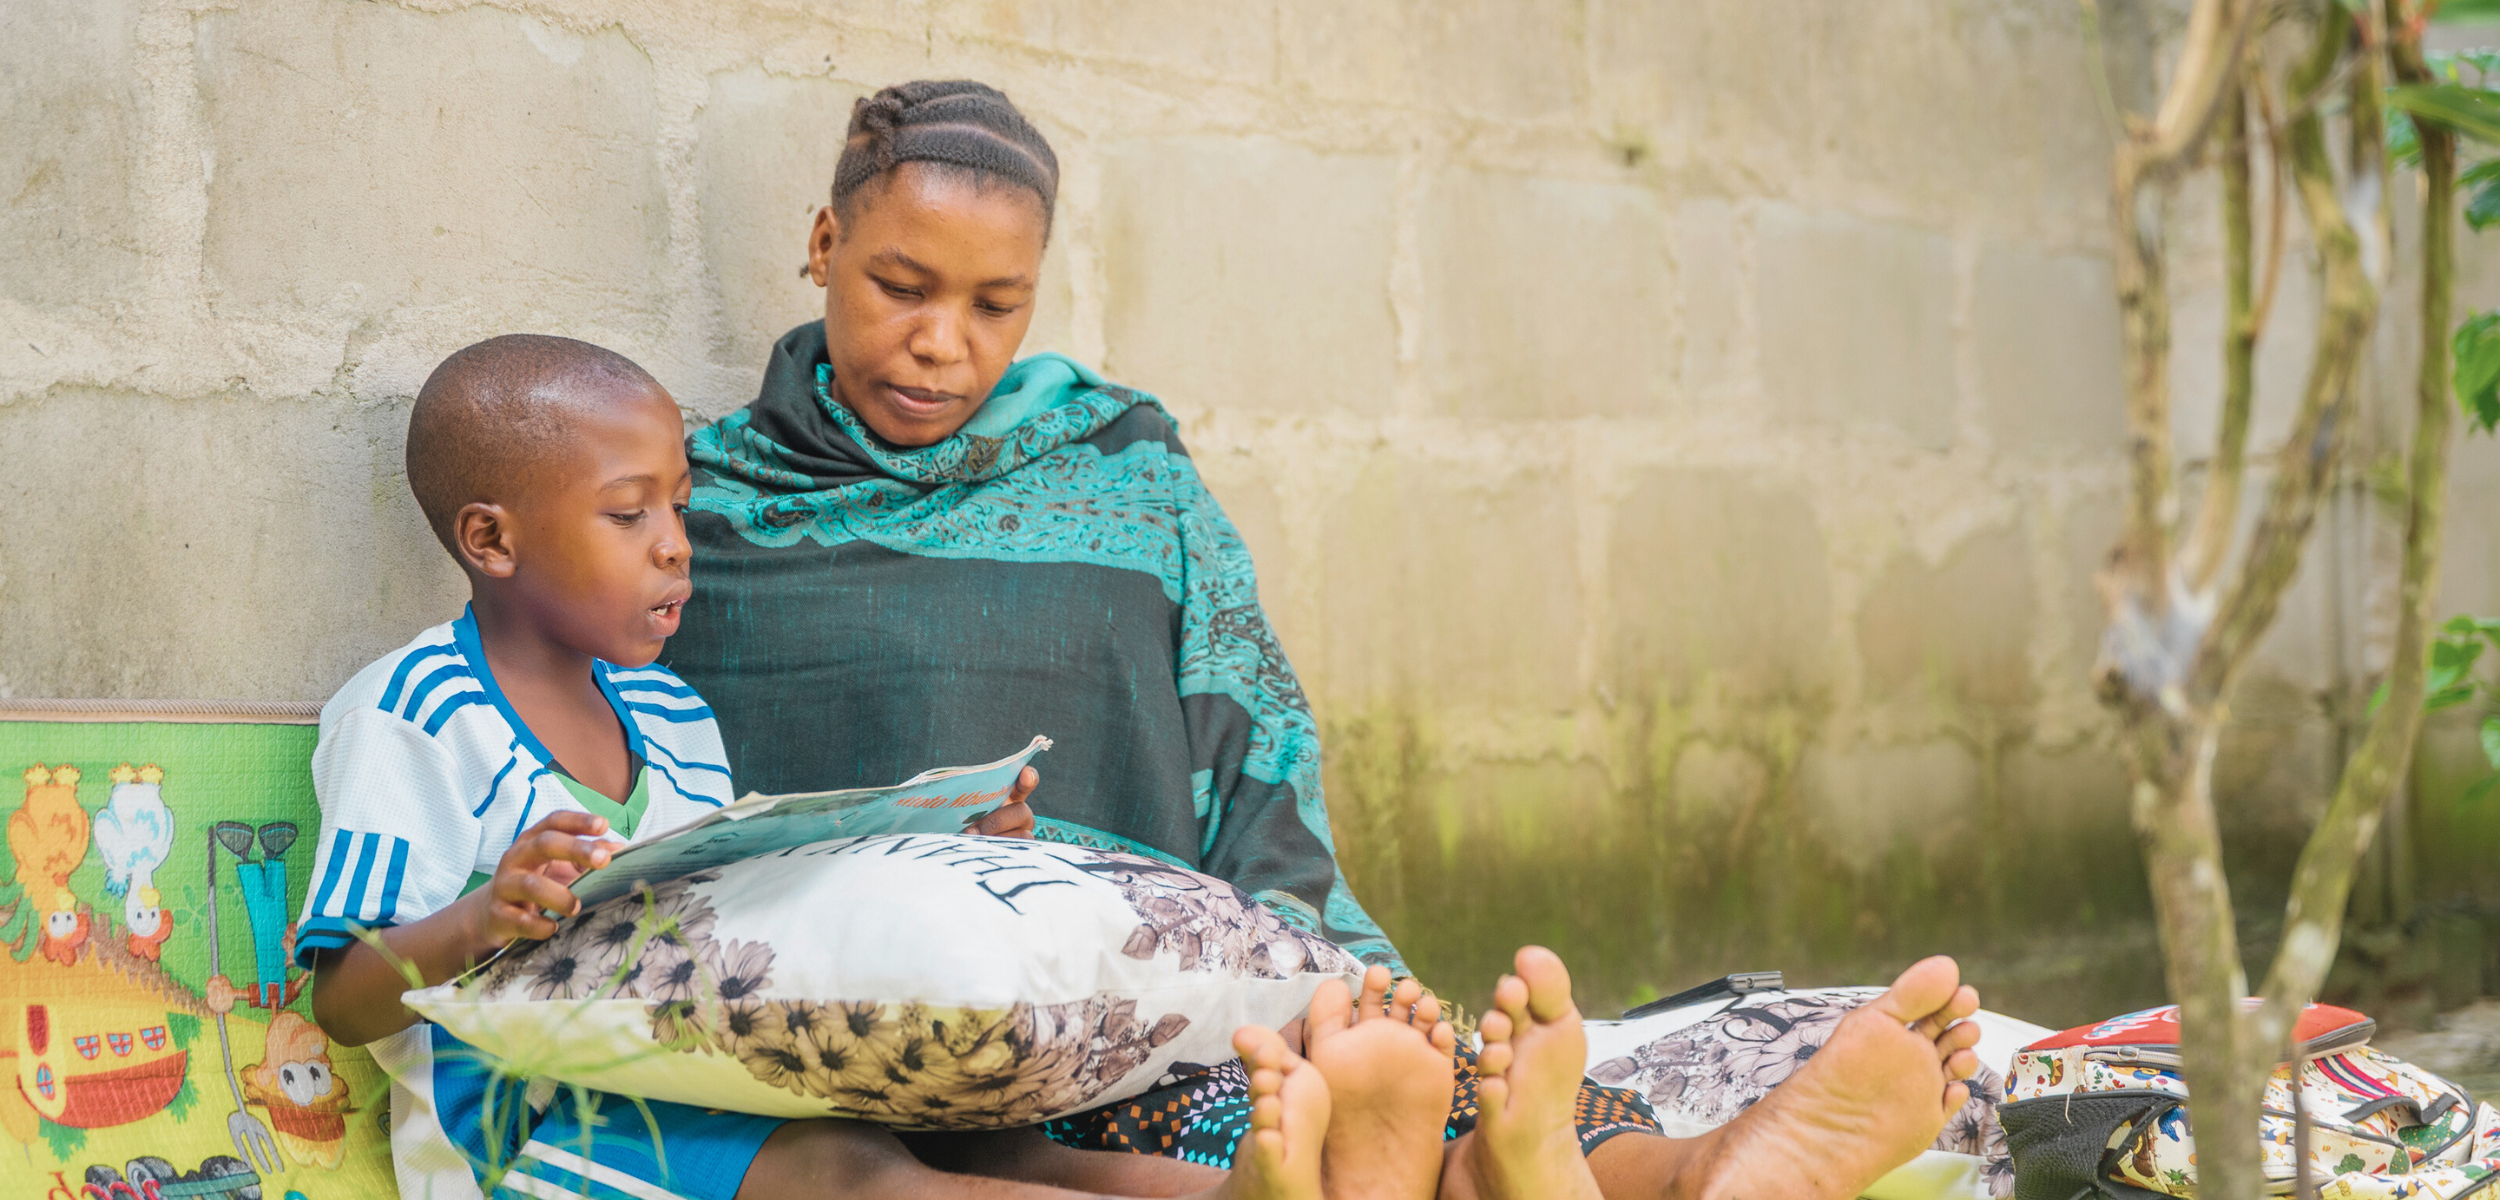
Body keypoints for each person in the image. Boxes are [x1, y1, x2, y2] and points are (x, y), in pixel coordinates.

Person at [666, 79, 1987, 1200]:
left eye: (996, 305)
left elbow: (1248, 740)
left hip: (1127, 1001)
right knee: (1172, 1133)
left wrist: (1313, 966)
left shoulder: (1127, 472)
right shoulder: (698, 513)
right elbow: (644, 785)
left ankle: (1684, 1171)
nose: (941, 342)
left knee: (1328, 1081)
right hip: (845, 1023)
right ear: (824, 240)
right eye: (900, 284)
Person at [295, 334, 1361, 1200]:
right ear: (491, 539)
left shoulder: (669, 714)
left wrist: (941, 847)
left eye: (677, 505)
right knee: (852, 1179)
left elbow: (738, 925)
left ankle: (1254, 1190)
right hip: (535, 1138)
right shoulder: (415, 715)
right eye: (630, 515)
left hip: (728, 1079)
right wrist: (487, 915)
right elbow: (342, 1001)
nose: (675, 543)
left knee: (972, 1146)